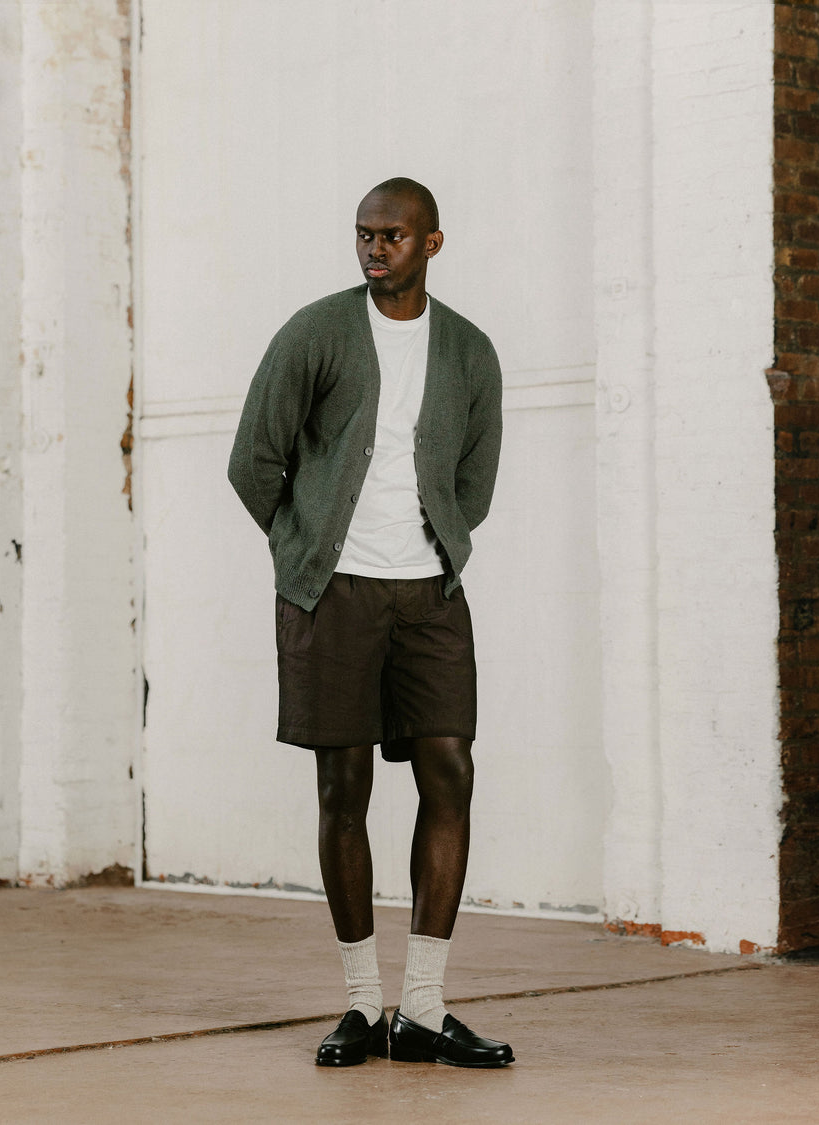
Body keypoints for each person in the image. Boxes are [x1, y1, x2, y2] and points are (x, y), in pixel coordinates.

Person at [228, 177, 512, 1069]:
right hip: (334, 591)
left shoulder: (469, 350)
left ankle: (423, 1008)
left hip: (429, 593)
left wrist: (437, 547)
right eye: (363, 235)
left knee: (450, 772)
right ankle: (361, 1004)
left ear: (432, 242)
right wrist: (305, 546)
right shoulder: (316, 332)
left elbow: (475, 479)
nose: (373, 249)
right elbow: (254, 460)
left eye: (391, 236)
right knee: (341, 788)